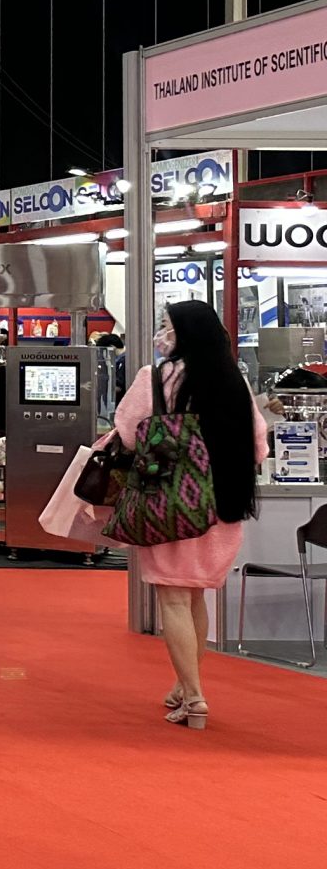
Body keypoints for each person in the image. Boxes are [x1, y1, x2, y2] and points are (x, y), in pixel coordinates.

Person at [110, 300, 265, 730]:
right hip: (222, 507)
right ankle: (184, 683)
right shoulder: (235, 381)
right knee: (194, 597)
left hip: (168, 505)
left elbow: (128, 432)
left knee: (174, 600)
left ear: (183, 334)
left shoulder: (155, 378)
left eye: (166, 325)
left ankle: (195, 698)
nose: (161, 334)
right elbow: (259, 444)